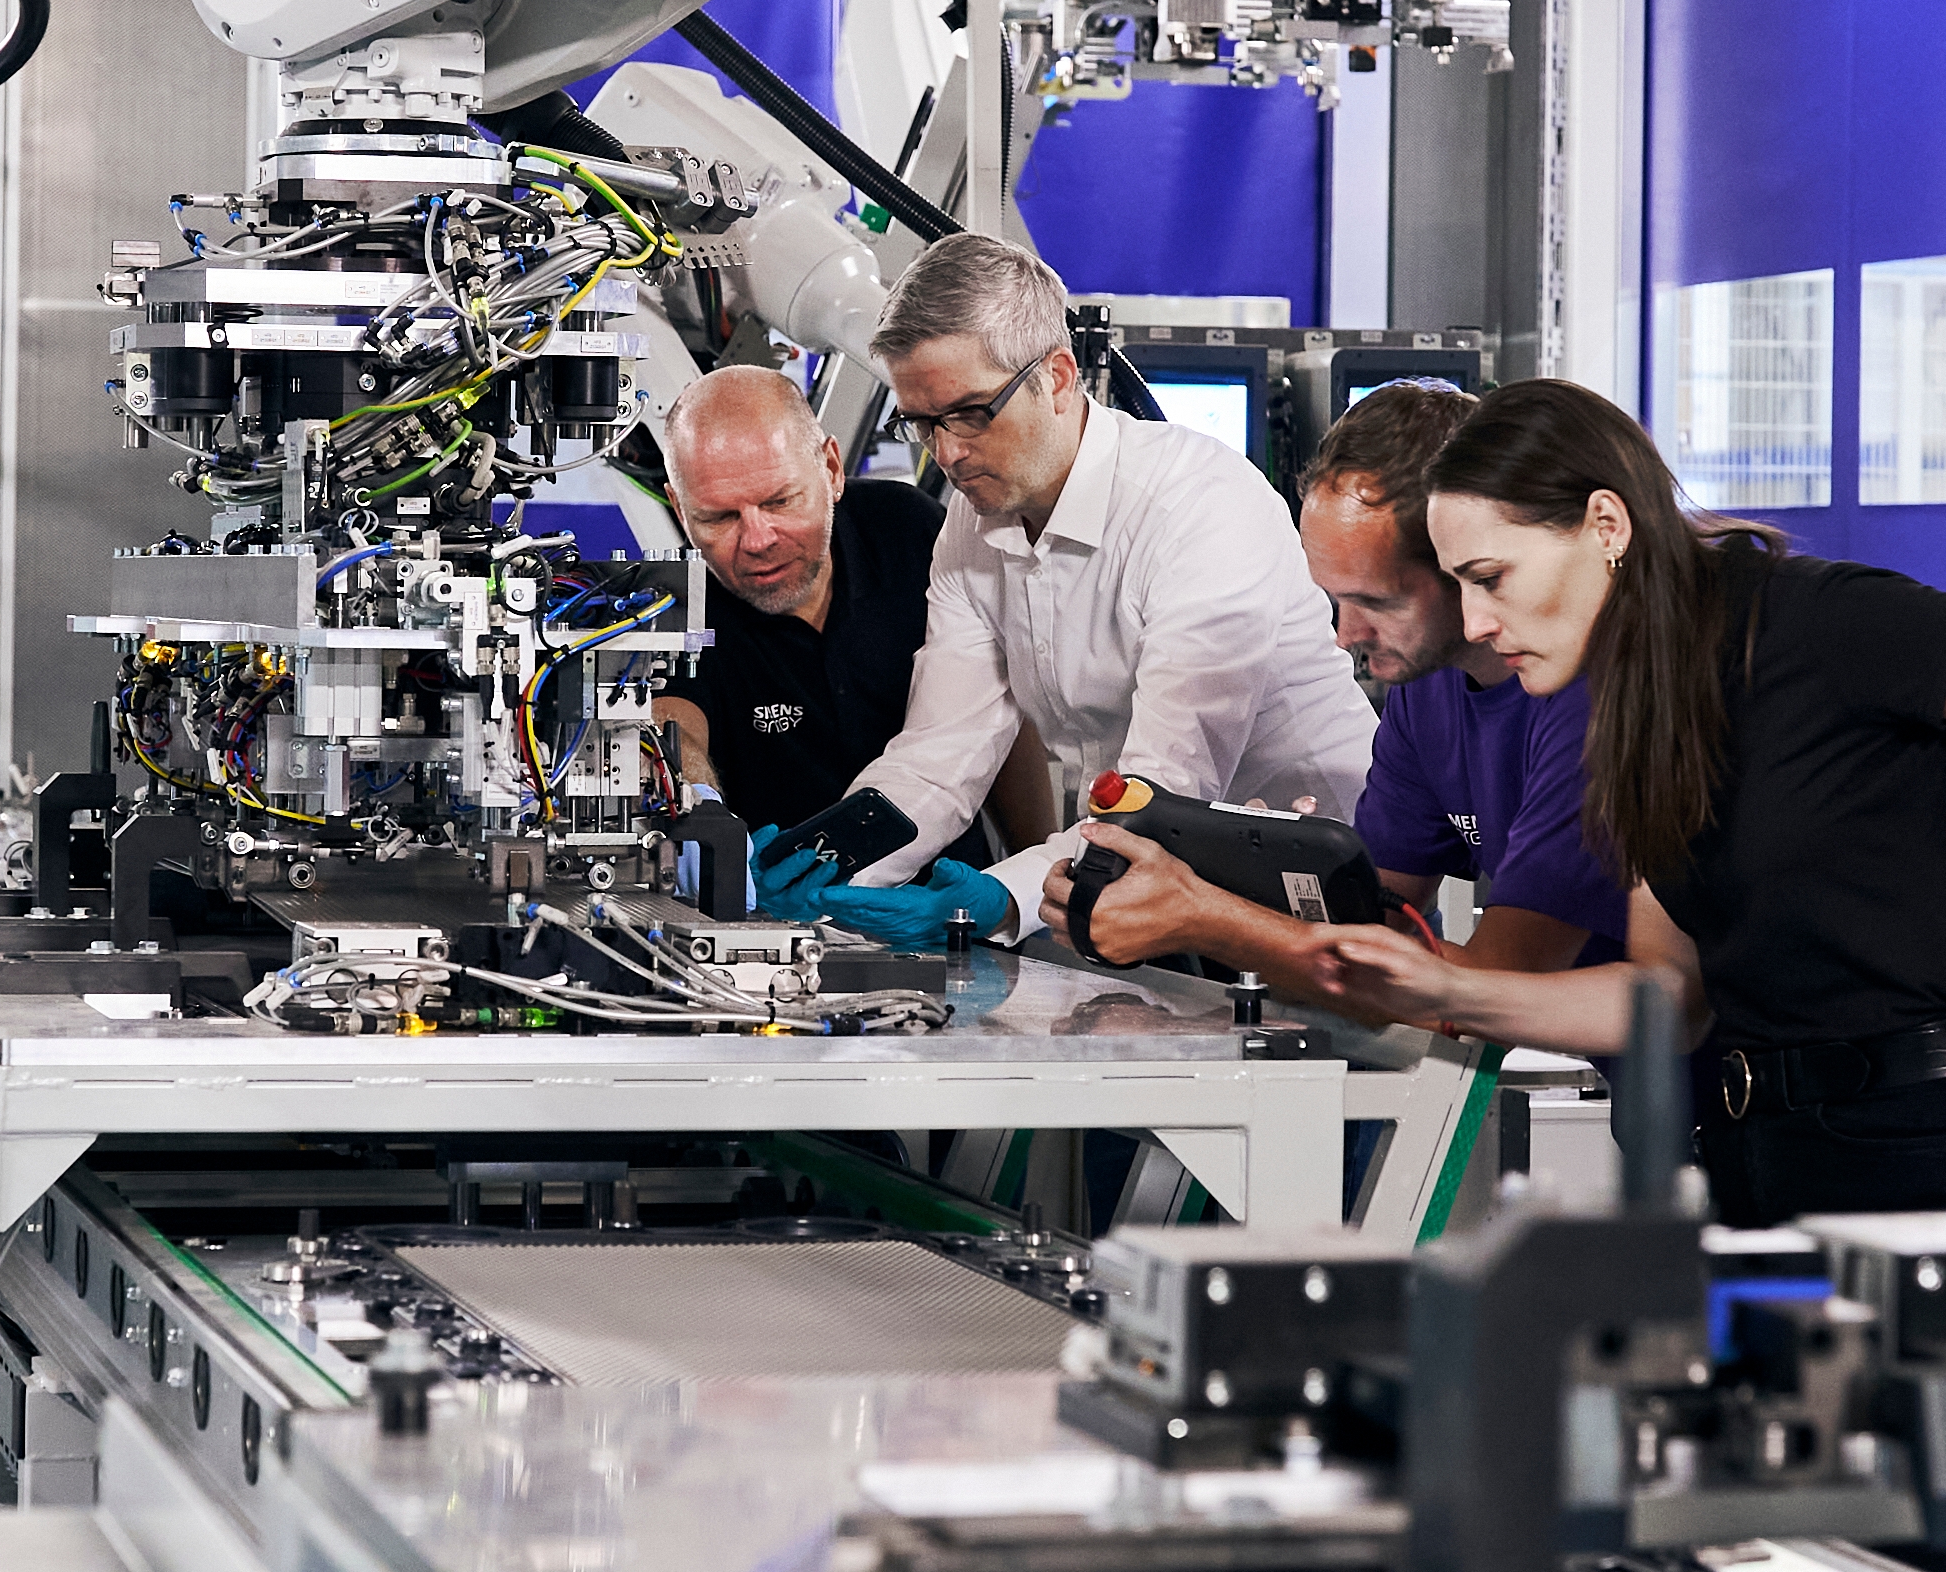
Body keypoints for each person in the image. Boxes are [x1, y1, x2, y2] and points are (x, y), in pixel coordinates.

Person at [1304, 375, 1946, 1226]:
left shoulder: (1819, 622)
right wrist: (1445, 988)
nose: (1474, 624)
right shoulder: (1640, 701)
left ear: (1606, 525)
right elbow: (1669, 996)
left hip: (1933, 1145)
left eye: (1491, 580)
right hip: (1755, 1154)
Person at [749, 234, 1373, 904]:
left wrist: (994, 901)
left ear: (1057, 377)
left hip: (1323, 882)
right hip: (1152, 883)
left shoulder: (1198, 503)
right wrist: (834, 857)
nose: (950, 454)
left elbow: (1165, 791)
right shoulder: (972, 523)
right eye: (924, 424)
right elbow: (941, 752)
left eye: (970, 414)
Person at [1063, 378, 1617, 1012]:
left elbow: (1492, 987)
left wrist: (1208, 918)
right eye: (1335, 599)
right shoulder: (1424, 690)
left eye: (1375, 601)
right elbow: (1376, 927)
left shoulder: (1585, 697)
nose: (1344, 636)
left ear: (1458, 558)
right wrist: (1253, 884)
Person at [643, 364, 943, 833]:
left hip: (948, 895)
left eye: (780, 502)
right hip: (774, 899)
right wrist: (697, 809)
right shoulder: (675, 599)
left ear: (831, 469)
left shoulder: (910, 531)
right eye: (720, 518)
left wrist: (1025, 876)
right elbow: (674, 727)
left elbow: (998, 709)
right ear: (680, 510)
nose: (758, 539)